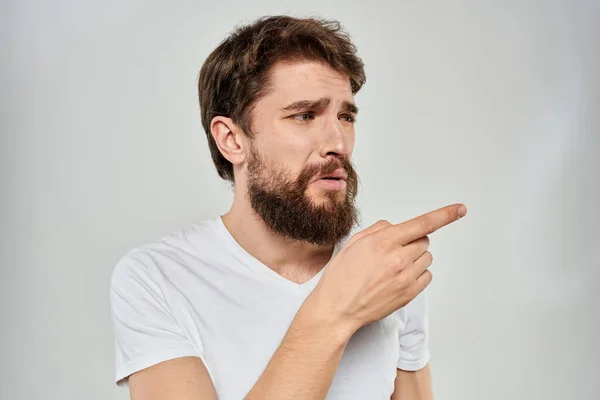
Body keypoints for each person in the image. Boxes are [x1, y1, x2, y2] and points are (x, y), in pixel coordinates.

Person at [110, 15, 467, 400]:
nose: (339, 143)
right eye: (304, 115)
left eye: (346, 117)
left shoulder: (385, 267)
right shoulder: (157, 278)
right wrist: (335, 310)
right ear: (232, 139)